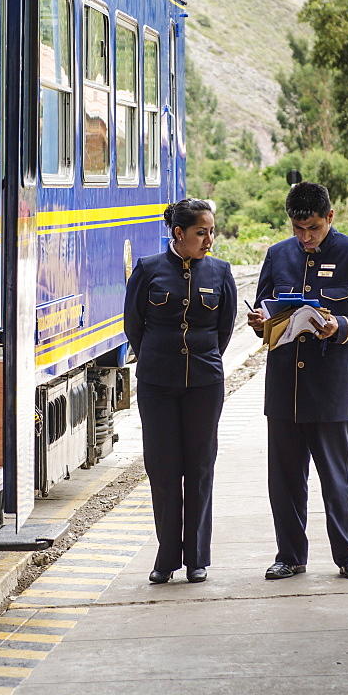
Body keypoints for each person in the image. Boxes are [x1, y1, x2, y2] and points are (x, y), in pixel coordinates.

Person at [247, 182, 348, 581]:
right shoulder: (277, 255)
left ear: (330, 218)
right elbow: (265, 312)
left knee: (336, 478)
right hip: (285, 388)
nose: (305, 238)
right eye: (298, 229)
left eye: (313, 229)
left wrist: (339, 325)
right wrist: (260, 323)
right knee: (286, 480)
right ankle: (289, 555)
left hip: (331, 388)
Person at [124, 199, 237, 584]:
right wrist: (158, 359)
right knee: (164, 470)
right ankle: (167, 557)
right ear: (179, 233)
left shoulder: (220, 272)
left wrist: (202, 361)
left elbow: (224, 329)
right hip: (157, 385)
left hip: (204, 385)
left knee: (200, 468)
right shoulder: (148, 270)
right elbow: (133, 325)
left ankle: (197, 558)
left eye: (211, 231)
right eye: (201, 232)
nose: (209, 240)